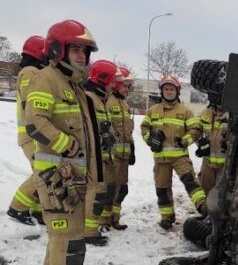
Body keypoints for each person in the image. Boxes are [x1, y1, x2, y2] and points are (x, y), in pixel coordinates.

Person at [25, 19, 103, 265]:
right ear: (59, 50)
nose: (82, 56)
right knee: (69, 242)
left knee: (59, 239)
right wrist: (66, 144)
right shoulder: (47, 80)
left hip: (70, 179)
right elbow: (35, 122)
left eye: (85, 51)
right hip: (58, 179)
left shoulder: (74, 86)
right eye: (76, 50)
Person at [140, 75, 206, 229]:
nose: (169, 91)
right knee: (162, 190)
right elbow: (144, 128)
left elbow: (195, 130)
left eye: (171, 89)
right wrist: (150, 140)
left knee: (191, 183)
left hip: (180, 157)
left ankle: (203, 207)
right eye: (166, 89)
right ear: (161, 91)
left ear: (177, 91)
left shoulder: (185, 111)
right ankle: (167, 218)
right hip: (160, 160)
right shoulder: (152, 111)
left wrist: (185, 140)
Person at [6, 35, 48, 225]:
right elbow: (32, 104)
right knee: (42, 172)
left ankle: (38, 210)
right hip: (32, 134)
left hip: (35, 133)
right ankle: (17, 207)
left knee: (44, 173)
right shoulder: (30, 73)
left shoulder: (33, 72)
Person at [83, 60, 118, 246]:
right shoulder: (89, 98)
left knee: (100, 192)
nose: (114, 85)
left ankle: (90, 229)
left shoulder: (100, 99)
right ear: (103, 80)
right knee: (96, 192)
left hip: (101, 156)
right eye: (112, 81)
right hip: (92, 156)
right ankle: (88, 232)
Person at [106, 67, 136, 230]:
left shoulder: (125, 104)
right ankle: (104, 222)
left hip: (124, 157)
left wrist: (132, 148)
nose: (127, 89)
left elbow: (128, 130)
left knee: (122, 189)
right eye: (125, 85)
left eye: (129, 86)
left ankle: (114, 219)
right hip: (112, 157)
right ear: (116, 84)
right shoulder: (108, 102)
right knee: (109, 189)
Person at [197, 94, 229, 193]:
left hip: (225, 165)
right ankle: (204, 208)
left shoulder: (233, 115)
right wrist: (200, 144)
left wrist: (229, 145)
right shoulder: (206, 113)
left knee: (222, 194)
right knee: (205, 190)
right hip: (207, 162)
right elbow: (196, 131)